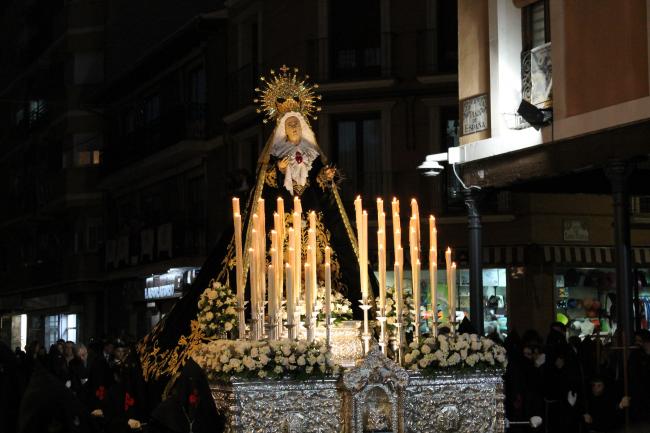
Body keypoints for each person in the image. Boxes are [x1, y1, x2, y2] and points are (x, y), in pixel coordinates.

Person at [137, 67, 377, 405]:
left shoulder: (316, 162)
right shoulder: (271, 165)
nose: (294, 130)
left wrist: (329, 181)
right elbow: (261, 200)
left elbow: (331, 200)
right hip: (279, 240)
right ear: (281, 129)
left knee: (329, 269)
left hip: (314, 237)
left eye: (298, 125)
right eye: (288, 126)